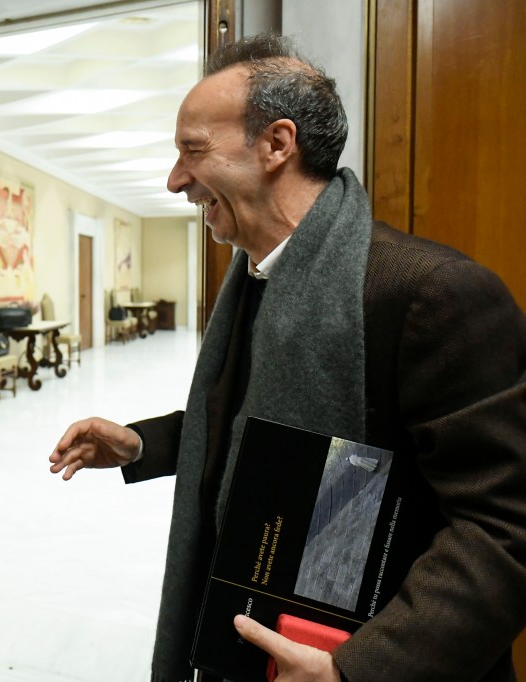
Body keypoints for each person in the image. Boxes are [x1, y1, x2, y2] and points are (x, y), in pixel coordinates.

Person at [49, 33, 526, 682]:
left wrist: (355, 671)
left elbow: (504, 530)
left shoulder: (432, 293)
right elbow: (254, 432)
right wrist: (141, 444)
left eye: (193, 151)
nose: (175, 180)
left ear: (277, 144)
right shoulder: (256, 282)